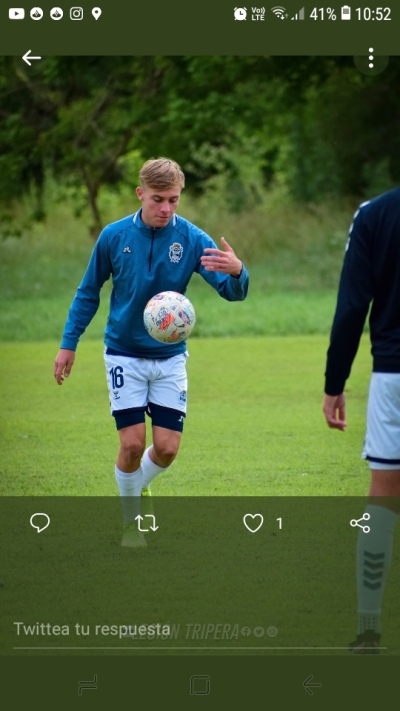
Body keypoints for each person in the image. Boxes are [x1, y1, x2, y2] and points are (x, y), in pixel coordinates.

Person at [54, 157, 249, 548]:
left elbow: (232, 292)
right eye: (158, 199)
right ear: (140, 193)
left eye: (174, 200)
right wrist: (68, 344)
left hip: (170, 359)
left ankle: (135, 486)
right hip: (123, 354)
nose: (166, 209)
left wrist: (237, 271)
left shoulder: (193, 239)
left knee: (166, 449)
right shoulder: (113, 236)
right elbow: (88, 292)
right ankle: (131, 526)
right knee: (131, 444)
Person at [323, 187, 400, 654]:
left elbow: (353, 305)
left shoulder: (375, 214)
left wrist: (335, 382)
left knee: (383, 495)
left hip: (394, 376)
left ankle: (368, 630)